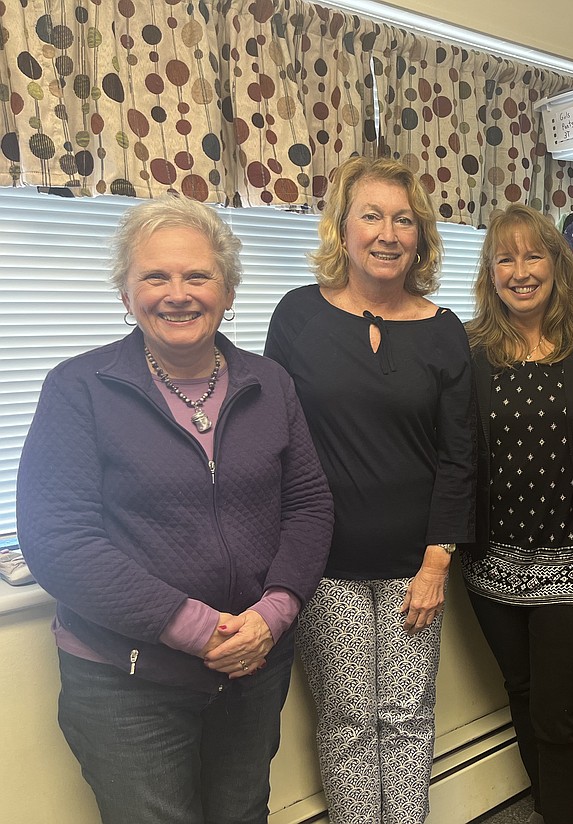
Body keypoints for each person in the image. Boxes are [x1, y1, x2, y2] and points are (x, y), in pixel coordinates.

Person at [16, 195, 334, 824]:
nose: (177, 293)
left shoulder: (270, 384)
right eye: (154, 276)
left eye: (198, 275)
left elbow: (308, 504)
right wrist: (196, 627)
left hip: (252, 661)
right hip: (126, 679)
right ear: (126, 292)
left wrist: (272, 615)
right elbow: (59, 538)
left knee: (242, 813)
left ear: (228, 288)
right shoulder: (78, 387)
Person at [264, 156, 476, 824]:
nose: (388, 233)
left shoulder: (443, 330)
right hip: (326, 566)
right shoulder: (298, 315)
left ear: (421, 235)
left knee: (409, 717)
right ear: (343, 227)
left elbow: (460, 454)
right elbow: (275, 438)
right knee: (350, 719)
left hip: (417, 564)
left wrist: (439, 559)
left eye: (404, 219)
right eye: (372, 215)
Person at [461, 204, 573, 824]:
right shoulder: (470, 350)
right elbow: (453, 449)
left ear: (558, 265)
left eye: (534, 256)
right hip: (494, 565)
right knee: (525, 697)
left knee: (561, 712)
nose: (521, 271)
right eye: (506, 258)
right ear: (490, 272)